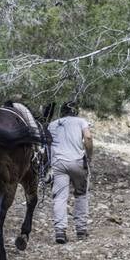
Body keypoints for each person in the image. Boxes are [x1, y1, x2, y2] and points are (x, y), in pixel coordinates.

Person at [48, 101, 93, 243]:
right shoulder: (81, 121)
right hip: (77, 162)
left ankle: (60, 231)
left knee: (60, 197)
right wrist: (89, 155)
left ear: (62, 111)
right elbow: (88, 137)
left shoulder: (53, 124)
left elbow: (48, 144)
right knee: (81, 194)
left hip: (59, 163)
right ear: (76, 111)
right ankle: (81, 230)